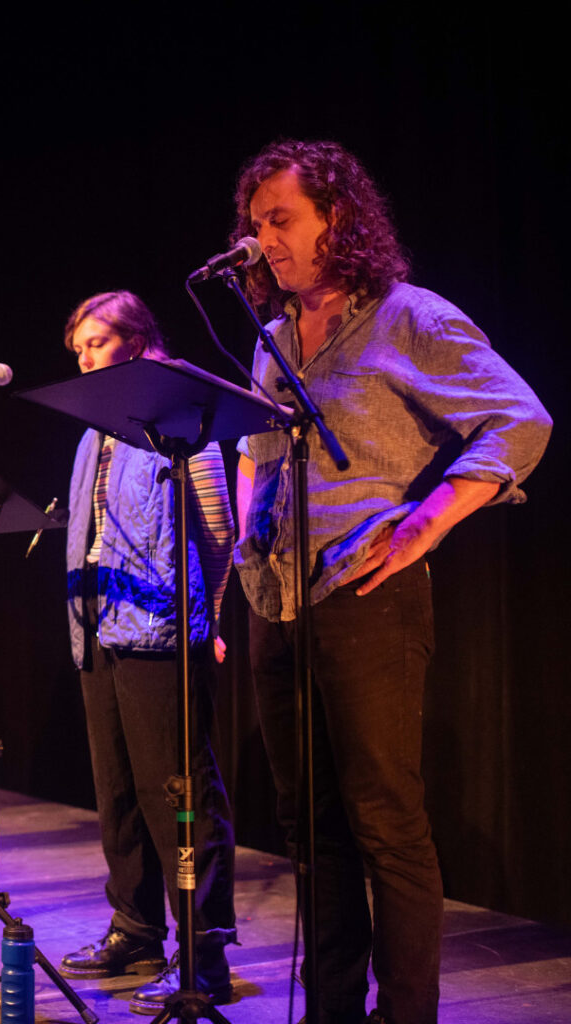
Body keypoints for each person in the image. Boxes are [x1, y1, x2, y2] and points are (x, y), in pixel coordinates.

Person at [232, 139, 552, 1024]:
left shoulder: (411, 317)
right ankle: (332, 1008)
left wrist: (428, 520)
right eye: (256, 225)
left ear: (340, 218)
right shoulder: (269, 341)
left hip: (366, 594)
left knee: (384, 824)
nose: (263, 241)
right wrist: (243, 541)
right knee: (311, 829)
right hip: (277, 600)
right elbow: (257, 457)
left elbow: (520, 418)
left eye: (282, 219)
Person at [56, 291, 238, 1015]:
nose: (86, 358)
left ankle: (205, 953)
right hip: (98, 624)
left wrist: (213, 617)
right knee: (118, 792)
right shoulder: (93, 428)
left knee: (179, 797)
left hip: (163, 630)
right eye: (78, 349)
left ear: (137, 342)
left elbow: (219, 532)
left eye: (96, 344)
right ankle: (135, 929)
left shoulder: (180, 418)